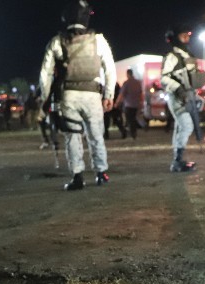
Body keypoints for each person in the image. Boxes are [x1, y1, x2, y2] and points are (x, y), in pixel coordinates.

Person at [39, 0, 116, 191]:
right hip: (92, 94)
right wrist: (109, 95)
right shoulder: (99, 40)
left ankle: (77, 176)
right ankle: (101, 173)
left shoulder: (57, 41)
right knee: (96, 134)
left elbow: (45, 74)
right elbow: (110, 70)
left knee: (73, 136)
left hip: (68, 96)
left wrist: (46, 98)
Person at [161, 25, 205, 172]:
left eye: (188, 35)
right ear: (175, 38)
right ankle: (177, 161)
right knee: (187, 126)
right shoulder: (172, 56)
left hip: (190, 96)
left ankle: (177, 159)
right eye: (183, 35)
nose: (187, 38)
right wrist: (179, 90)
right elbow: (164, 78)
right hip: (177, 98)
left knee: (180, 128)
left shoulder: (188, 56)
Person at [116, 69, 143, 139]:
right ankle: (134, 132)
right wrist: (141, 102)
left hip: (128, 104)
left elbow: (121, 94)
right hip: (136, 104)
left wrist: (117, 103)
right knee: (133, 118)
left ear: (127, 74)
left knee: (129, 119)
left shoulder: (126, 83)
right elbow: (140, 93)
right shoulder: (137, 83)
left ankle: (132, 132)